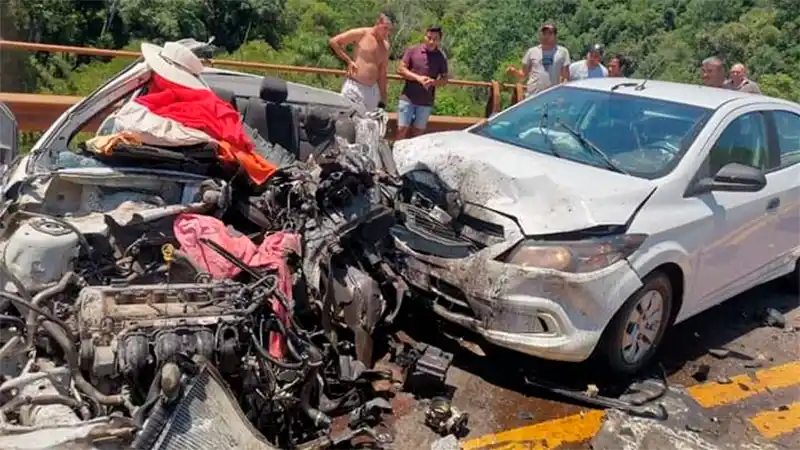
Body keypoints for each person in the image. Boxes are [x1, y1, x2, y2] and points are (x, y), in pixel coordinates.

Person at [328, 11, 394, 112]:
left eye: (389, 30)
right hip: (355, 86)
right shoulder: (362, 33)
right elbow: (334, 42)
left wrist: (384, 95)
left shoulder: (385, 46)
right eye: (385, 28)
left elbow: (382, 72)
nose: (387, 32)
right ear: (378, 23)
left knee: (368, 123)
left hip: (372, 90)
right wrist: (348, 61)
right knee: (348, 121)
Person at [395, 26, 449, 139]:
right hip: (407, 98)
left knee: (417, 134)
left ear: (439, 40)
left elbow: (444, 79)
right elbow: (400, 69)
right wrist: (418, 78)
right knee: (401, 130)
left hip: (426, 102)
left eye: (435, 39)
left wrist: (433, 82)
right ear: (424, 36)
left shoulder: (441, 57)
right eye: (429, 37)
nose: (431, 41)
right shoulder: (412, 50)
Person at [505, 23, 570, 97]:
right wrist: (514, 71)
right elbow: (523, 75)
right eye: (544, 33)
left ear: (555, 36)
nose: (546, 36)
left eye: (549, 33)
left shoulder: (563, 52)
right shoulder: (531, 51)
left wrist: (563, 95)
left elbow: (566, 77)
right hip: (533, 96)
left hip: (553, 96)